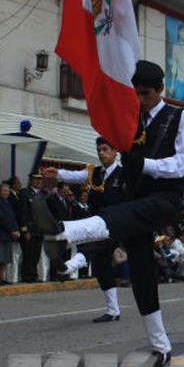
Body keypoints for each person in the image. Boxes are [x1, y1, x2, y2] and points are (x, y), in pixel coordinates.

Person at [32, 60, 184, 367]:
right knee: (143, 274)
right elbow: (91, 171)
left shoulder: (179, 117)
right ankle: (161, 347)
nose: (140, 99)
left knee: (117, 214)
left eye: (145, 94)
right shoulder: (130, 118)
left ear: (161, 90)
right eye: (136, 93)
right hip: (134, 197)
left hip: (164, 196)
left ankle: (64, 231)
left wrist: (145, 165)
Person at [48, 137, 128, 322]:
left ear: (115, 152)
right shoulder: (94, 172)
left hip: (114, 224)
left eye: (105, 149)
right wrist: (57, 173)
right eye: (99, 149)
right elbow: (75, 176)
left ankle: (69, 267)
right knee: (101, 267)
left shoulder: (124, 175)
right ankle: (113, 311)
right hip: (95, 222)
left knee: (92, 246)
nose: (101, 153)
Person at [16, 172, 44, 283]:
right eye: (35, 179)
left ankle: (33, 275)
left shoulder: (41, 195)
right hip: (30, 229)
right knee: (28, 254)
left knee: (36, 254)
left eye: (40, 180)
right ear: (31, 181)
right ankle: (26, 276)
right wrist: (25, 230)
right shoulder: (25, 193)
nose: (38, 182)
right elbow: (22, 213)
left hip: (39, 229)